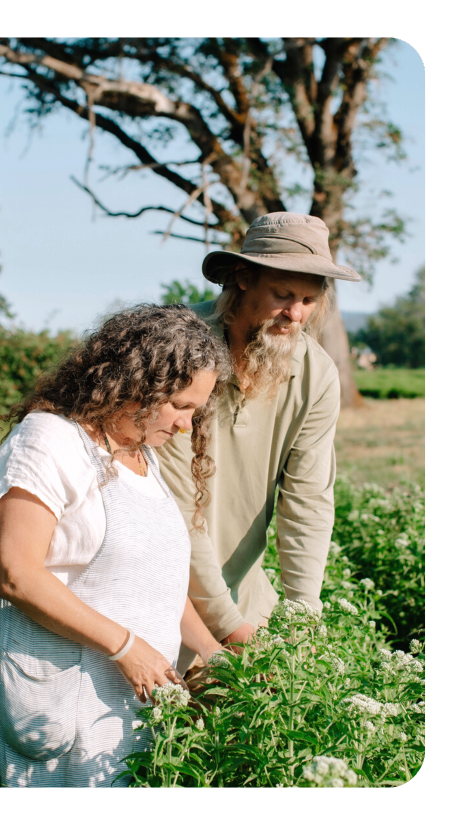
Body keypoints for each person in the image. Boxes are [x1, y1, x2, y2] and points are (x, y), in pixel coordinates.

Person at [0, 304, 231, 788]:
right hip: (56, 706)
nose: (188, 425)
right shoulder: (47, 442)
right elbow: (17, 574)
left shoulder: (140, 452)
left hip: (123, 715)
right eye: (180, 405)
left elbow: (156, 581)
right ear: (135, 383)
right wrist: (126, 646)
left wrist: (210, 649)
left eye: (196, 409)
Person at [155, 213, 362, 676]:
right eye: (283, 295)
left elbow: (307, 503)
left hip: (243, 596)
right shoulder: (177, 352)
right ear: (242, 278)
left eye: (309, 299)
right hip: (156, 594)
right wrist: (228, 628)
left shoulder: (317, 374)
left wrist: (300, 621)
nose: (296, 314)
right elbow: (176, 509)